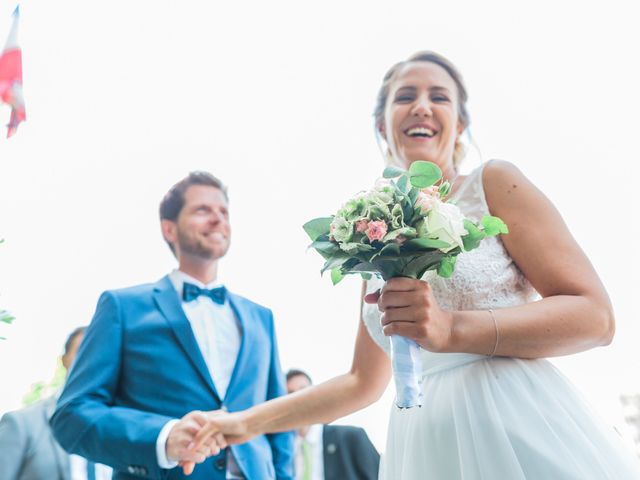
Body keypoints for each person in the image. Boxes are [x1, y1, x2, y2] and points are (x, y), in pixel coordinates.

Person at [186, 52, 640, 479]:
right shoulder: (370, 233)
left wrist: (453, 329)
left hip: (514, 423)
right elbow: (361, 382)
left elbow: (595, 317)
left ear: (459, 124)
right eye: (405, 97)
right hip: (422, 444)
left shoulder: (494, 184)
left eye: (438, 97)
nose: (421, 106)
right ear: (382, 125)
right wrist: (243, 423)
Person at [51, 172, 294, 479]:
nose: (218, 219)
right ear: (169, 228)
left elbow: (280, 423)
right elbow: (73, 416)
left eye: (224, 212)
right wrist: (163, 437)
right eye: (202, 210)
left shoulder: (262, 318)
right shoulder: (122, 307)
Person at [0, 326, 112, 480]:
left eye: (99, 354)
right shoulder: (22, 424)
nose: (91, 362)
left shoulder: (114, 428)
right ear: (64, 360)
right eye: (83, 352)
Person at [285, 369, 379, 480]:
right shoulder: (283, 451)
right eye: (290, 394)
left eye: (303, 391)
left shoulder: (351, 437)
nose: (296, 400)